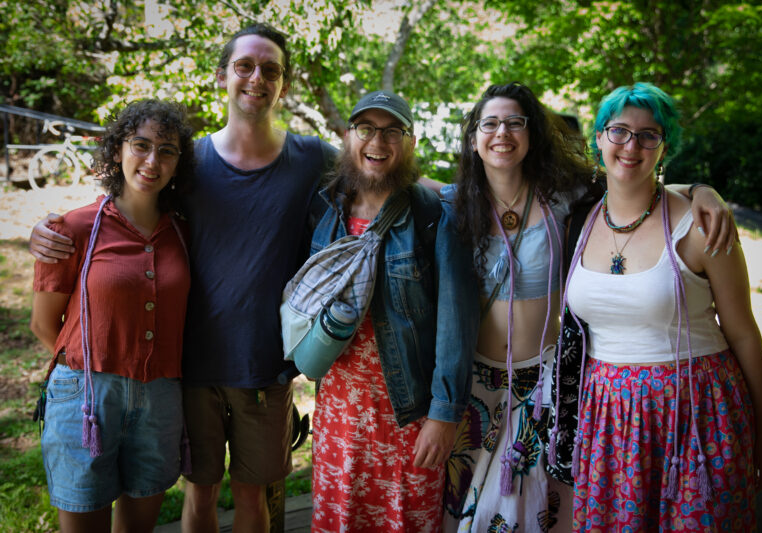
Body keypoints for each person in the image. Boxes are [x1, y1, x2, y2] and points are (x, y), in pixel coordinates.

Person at [28, 23, 338, 533]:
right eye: (244, 65)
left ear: (284, 85)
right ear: (222, 76)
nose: (256, 78)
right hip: (179, 373)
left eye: (271, 70)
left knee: (251, 500)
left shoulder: (310, 159)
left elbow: (373, 177)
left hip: (260, 368)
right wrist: (49, 229)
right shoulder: (194, 164)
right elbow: (125, 215)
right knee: (199, 499)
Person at [439, 82, 738, 532]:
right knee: (466, 514)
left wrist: (701, 189)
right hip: (473, 386)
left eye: (515, 122)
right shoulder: (449, 205)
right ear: (473, 136)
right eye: (490, 123)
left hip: (543, 383)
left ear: (533, 133)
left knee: (531, 512)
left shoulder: (569, 197)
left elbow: (632, 178)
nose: (502, 132)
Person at [560, 82, 762, 530]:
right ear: (598, 139)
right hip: (609, 422)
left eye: (648, 135)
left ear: (664, 146)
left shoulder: (701, 226)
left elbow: (743, 333)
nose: (631, 145)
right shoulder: (578, 217)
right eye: (618, 131)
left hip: (698, 415)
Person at [309, 90, 479, 531]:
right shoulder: (327, 206)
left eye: (392, 131)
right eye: (366, 129)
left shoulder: (434, 214)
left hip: (408, 414)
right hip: (339, 410)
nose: (377, 142)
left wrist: (444, 416)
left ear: (411, 142)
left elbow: (455, 324)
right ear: (349, 137)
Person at [29, 99, 194, 532]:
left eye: (167, 150)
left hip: (160, 398)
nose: (152, 160)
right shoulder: (71, 229)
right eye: (140, 145)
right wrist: (94, 370)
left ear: (179, 162)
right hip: (86, 398)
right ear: (118, 149)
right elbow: (43, 325)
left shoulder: (184, 232)